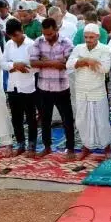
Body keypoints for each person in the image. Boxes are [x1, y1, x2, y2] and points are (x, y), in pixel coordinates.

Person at [29, 18, 76, 160]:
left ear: (56, 29)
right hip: (44, 87)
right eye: (45, 34)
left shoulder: (66, 42)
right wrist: (56, 62)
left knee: (67, 119)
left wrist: (44, 62)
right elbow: (33, 63)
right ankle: (47, 147)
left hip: (61, 87)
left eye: (50, 34)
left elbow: (67, 64)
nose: (47, 37)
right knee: (45, 119)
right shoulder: (38, 41)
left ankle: (70, 149)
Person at [68, 23, 111, 159]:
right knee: (82, 120)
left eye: (91, 37)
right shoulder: (78, 48)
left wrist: (81, 63)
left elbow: (104, 68)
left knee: (101, 120)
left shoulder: (105, 49)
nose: (88, 40)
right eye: (86, 37)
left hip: (97, 90)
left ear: (98, 36)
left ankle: (107, 147)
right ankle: (86, 146)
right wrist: (88, 61)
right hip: (81, 90)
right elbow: (69, 64)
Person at [2, 19, 38, 156]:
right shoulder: (9, 44)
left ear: (22, 31)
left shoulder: (31, 44)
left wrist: (22, 67)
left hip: (28, 86)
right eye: (12, 36)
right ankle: (21, 143)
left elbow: (35, 67)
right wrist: (14, 66)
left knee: (30, 118)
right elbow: (3, 63)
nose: (15, 39)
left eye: (16, 36)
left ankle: (32, 145)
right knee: (16, 118)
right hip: (13, 86)